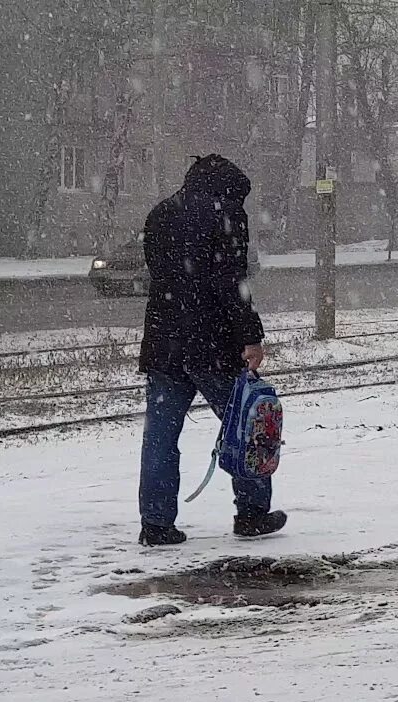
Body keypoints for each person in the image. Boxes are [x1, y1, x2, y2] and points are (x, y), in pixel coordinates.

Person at [137, 154, 287, 546]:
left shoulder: (160, 213)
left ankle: (156, 523)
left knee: (160, 437)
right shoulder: (226, 215)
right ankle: (252, 513)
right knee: (246, 425)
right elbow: (231, 282)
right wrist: (250, 337)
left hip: (163, 341)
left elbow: (160, 275)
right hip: (211, 344)